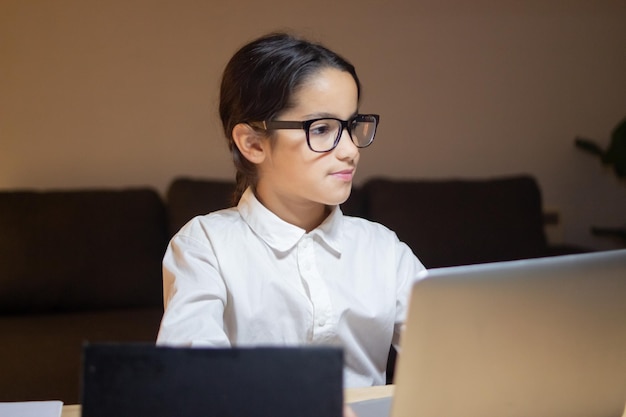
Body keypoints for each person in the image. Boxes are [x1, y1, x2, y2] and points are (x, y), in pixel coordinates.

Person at [156, 32, 426, 388]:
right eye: (323, 128)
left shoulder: (382, 249)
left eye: (351, 125)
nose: (350, 151)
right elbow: (191, 379)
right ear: (253, 143)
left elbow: (454, 355)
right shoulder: (205, 245)